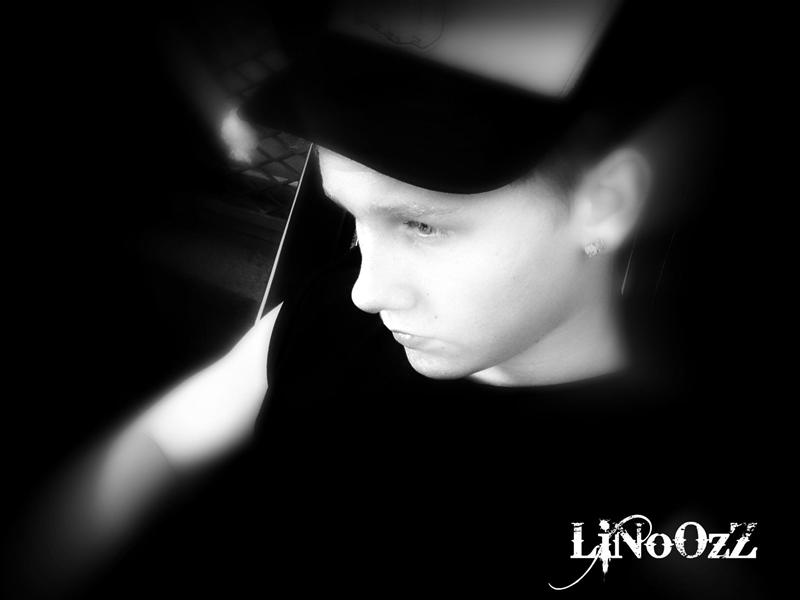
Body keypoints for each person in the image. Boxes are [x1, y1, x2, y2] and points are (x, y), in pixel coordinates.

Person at [12, 2, 767, 598]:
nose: (366, 290)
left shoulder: (674, 494)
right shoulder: (332, 317)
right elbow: (160, 444)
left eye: (422, 225)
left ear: (605, 203)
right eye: (353, 219)